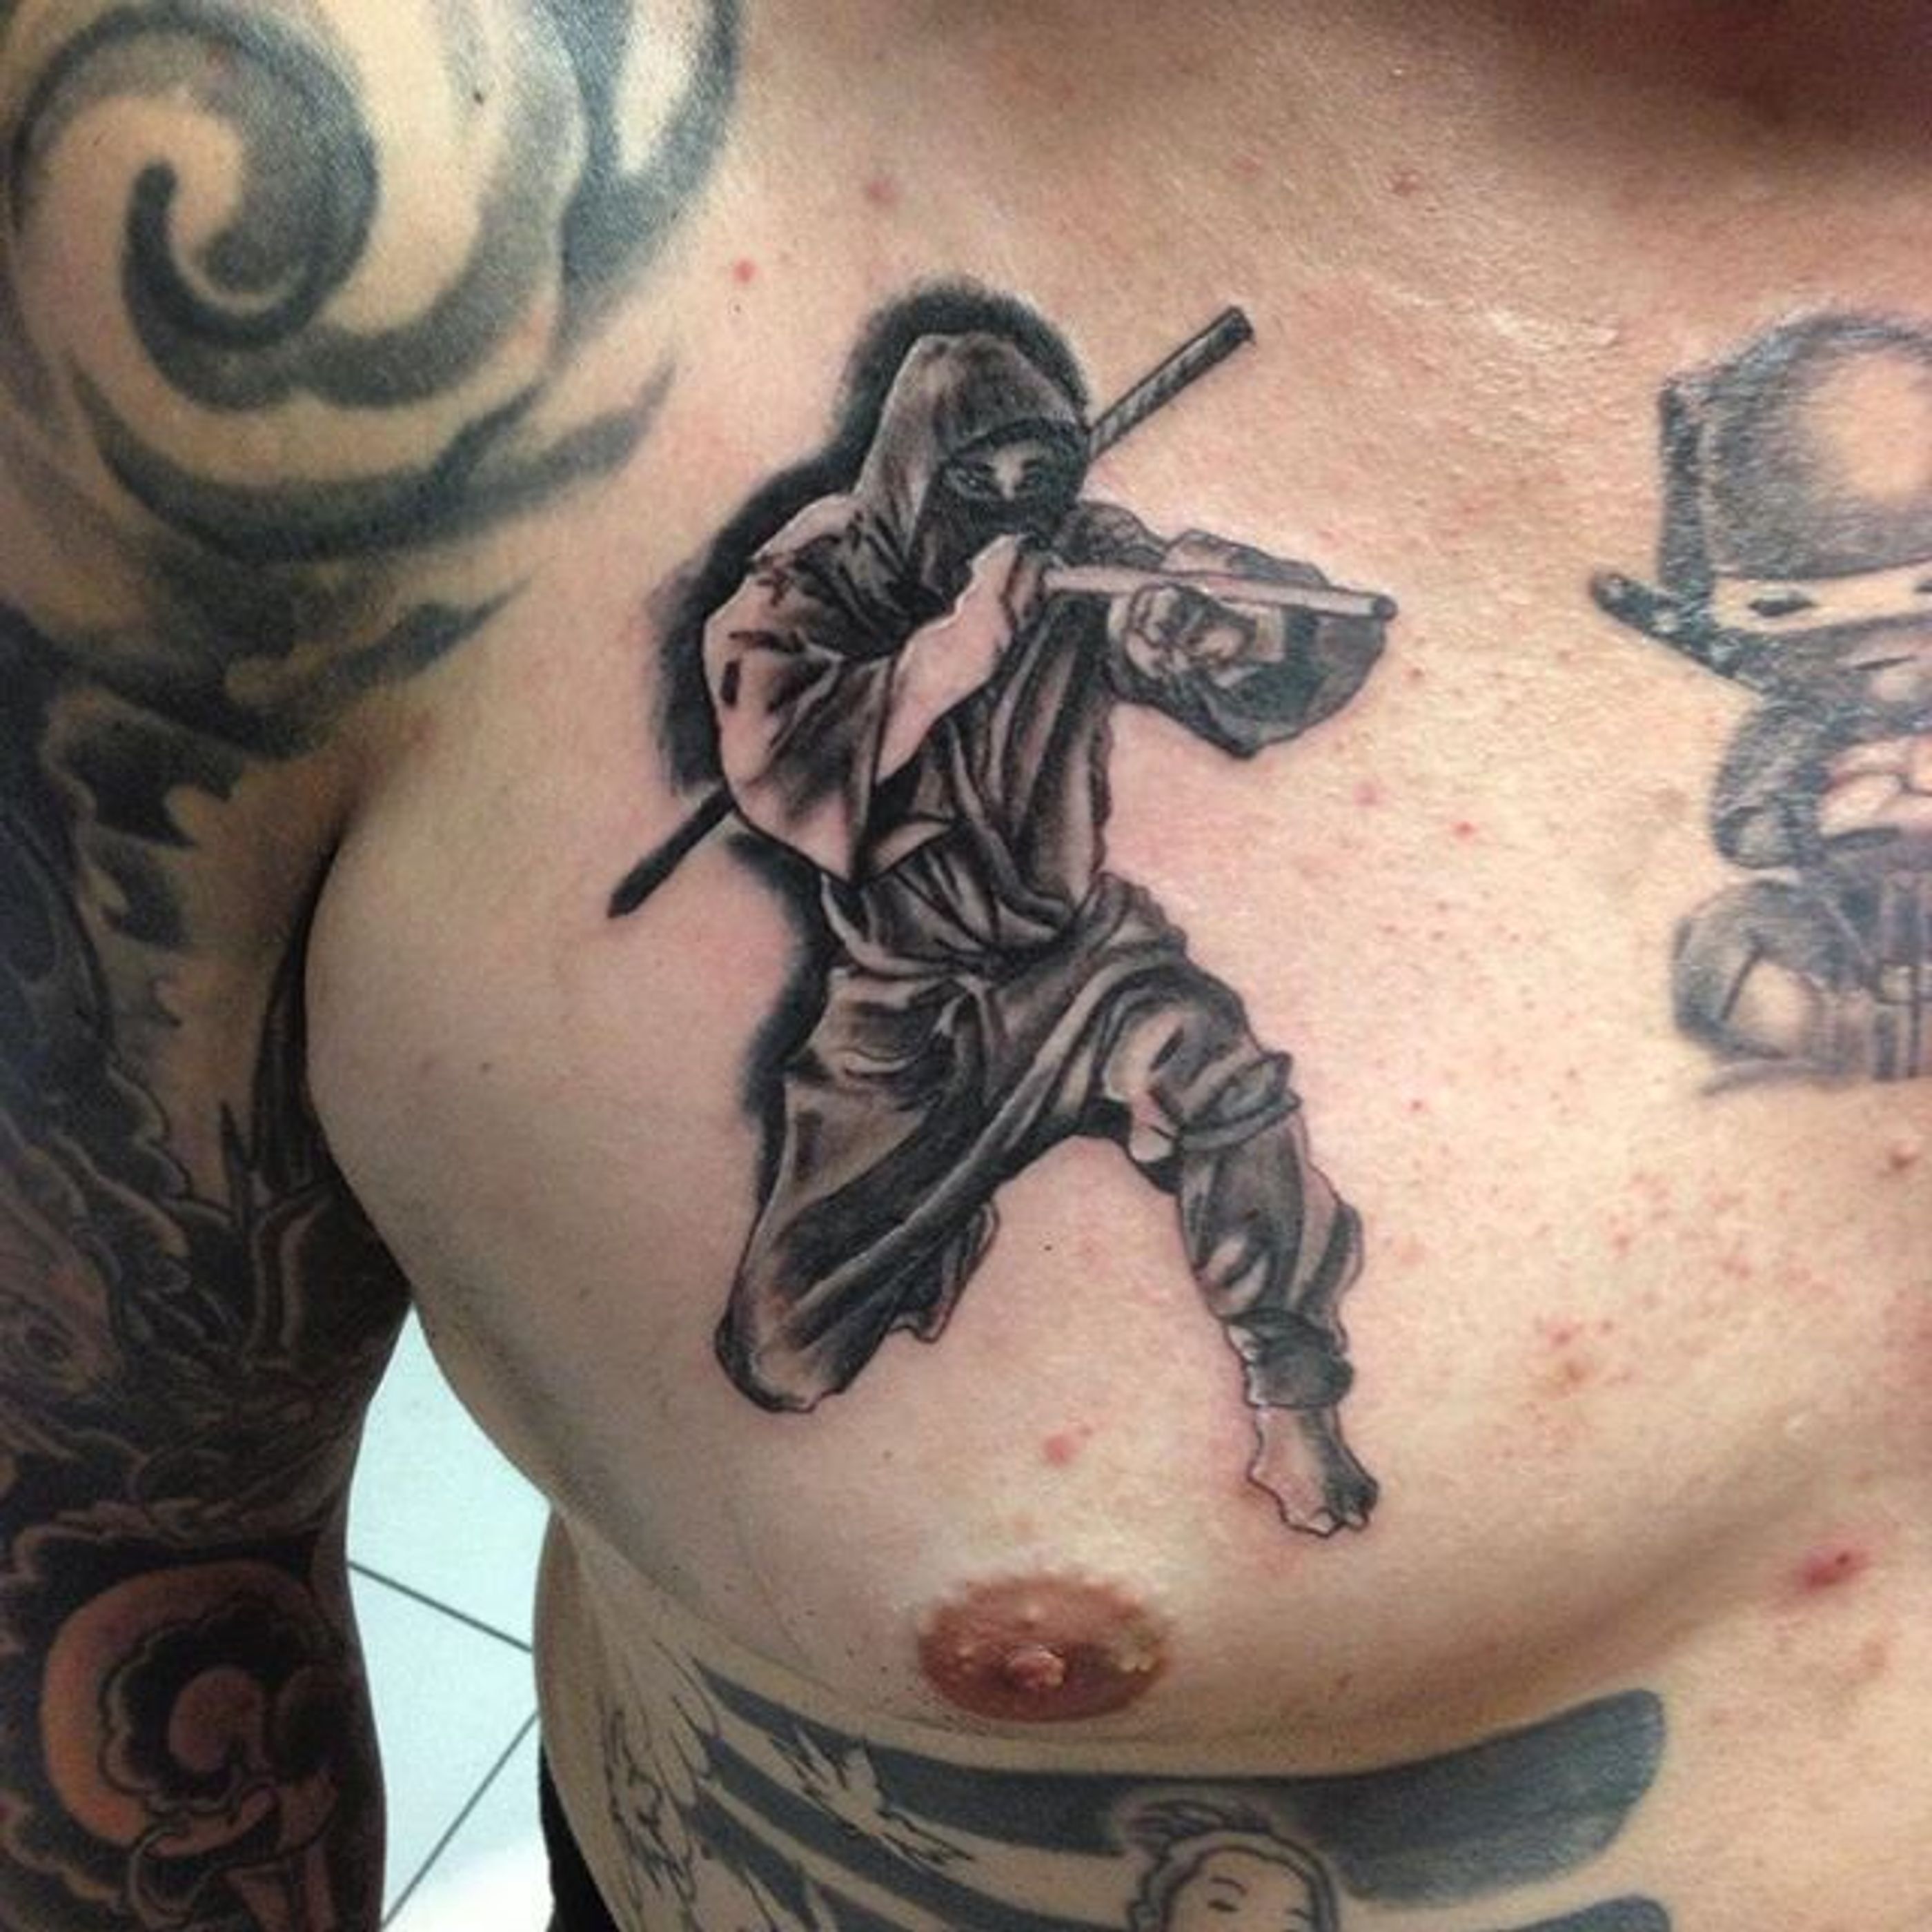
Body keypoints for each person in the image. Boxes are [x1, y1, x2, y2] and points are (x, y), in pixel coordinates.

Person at [2, 3, 1929, 1930]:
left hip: (1087, 958)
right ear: (925, 463)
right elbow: (805, 799)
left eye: (1037, 472)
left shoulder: (1087, 549)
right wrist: (958, 649)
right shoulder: (795, 587)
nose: (1021, 504)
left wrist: (1222, 611)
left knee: (1227, 1092)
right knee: (793, 1342)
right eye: (988, 474)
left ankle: (1289, 1388)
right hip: (911, 1008)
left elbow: (1272, 678)